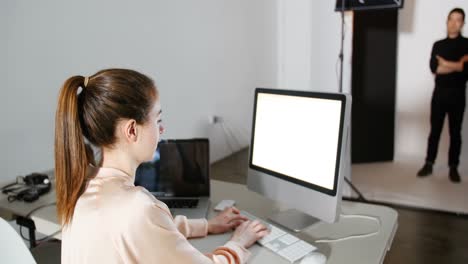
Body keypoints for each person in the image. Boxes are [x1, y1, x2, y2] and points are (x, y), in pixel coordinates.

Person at [54, 68, 269, 263]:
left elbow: (148, 233)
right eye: (157, 120)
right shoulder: (137, 208)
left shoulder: (80, 186)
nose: (162, 129)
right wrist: (238, 243)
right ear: (131, 130)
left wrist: (207, 226)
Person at [417, 8, 468, 183]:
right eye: (451, 19)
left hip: (458, 96)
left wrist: (445, 63)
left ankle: (453, 167)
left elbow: (465, 71)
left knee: (456, 133)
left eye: (458, 20)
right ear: (446, 21)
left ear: (463, 23)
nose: (454, 23)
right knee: (435, 131)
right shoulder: (438, 45)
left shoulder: (467, 44)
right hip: (439, 95)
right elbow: (434, 69)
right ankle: (429, 163)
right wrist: (458, 64)